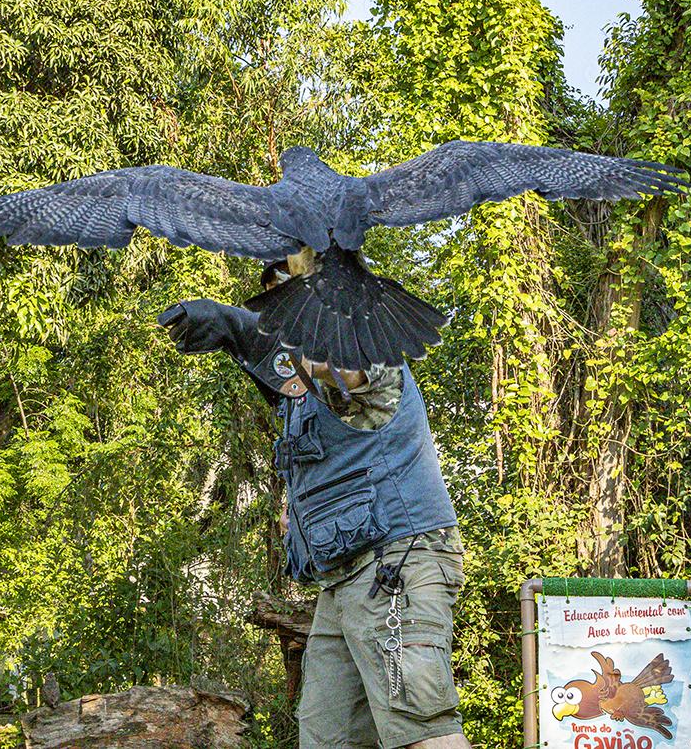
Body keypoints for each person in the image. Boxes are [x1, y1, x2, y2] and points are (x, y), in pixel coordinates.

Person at [158, 259, 471, 749]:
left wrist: (269, 318)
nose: (282, 311)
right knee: (327, 738)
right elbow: (288, 370)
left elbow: (344, 368)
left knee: (420, 731)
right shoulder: (300, 392)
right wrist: (228, 323)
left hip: (396, 564)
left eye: (291, 294)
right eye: (275, 299)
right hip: (341, 581)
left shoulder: (370, 352)